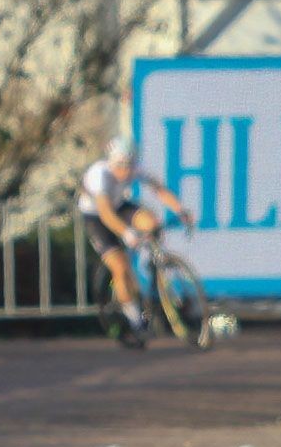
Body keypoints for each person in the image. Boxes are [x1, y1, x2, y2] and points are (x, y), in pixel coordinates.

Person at [78, 136, 194, 340]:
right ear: (112, 162)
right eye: (121, 166)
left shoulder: (135, 167)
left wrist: (180, 210)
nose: (126, 171)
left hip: (120, 206)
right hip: (96, 216)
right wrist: (126, 233)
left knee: (151, 223)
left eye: (129, 166)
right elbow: (105, 213)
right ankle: (134, 318)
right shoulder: (100, 175)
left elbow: (159, 190)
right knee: (120, 267)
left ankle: (157, 261)